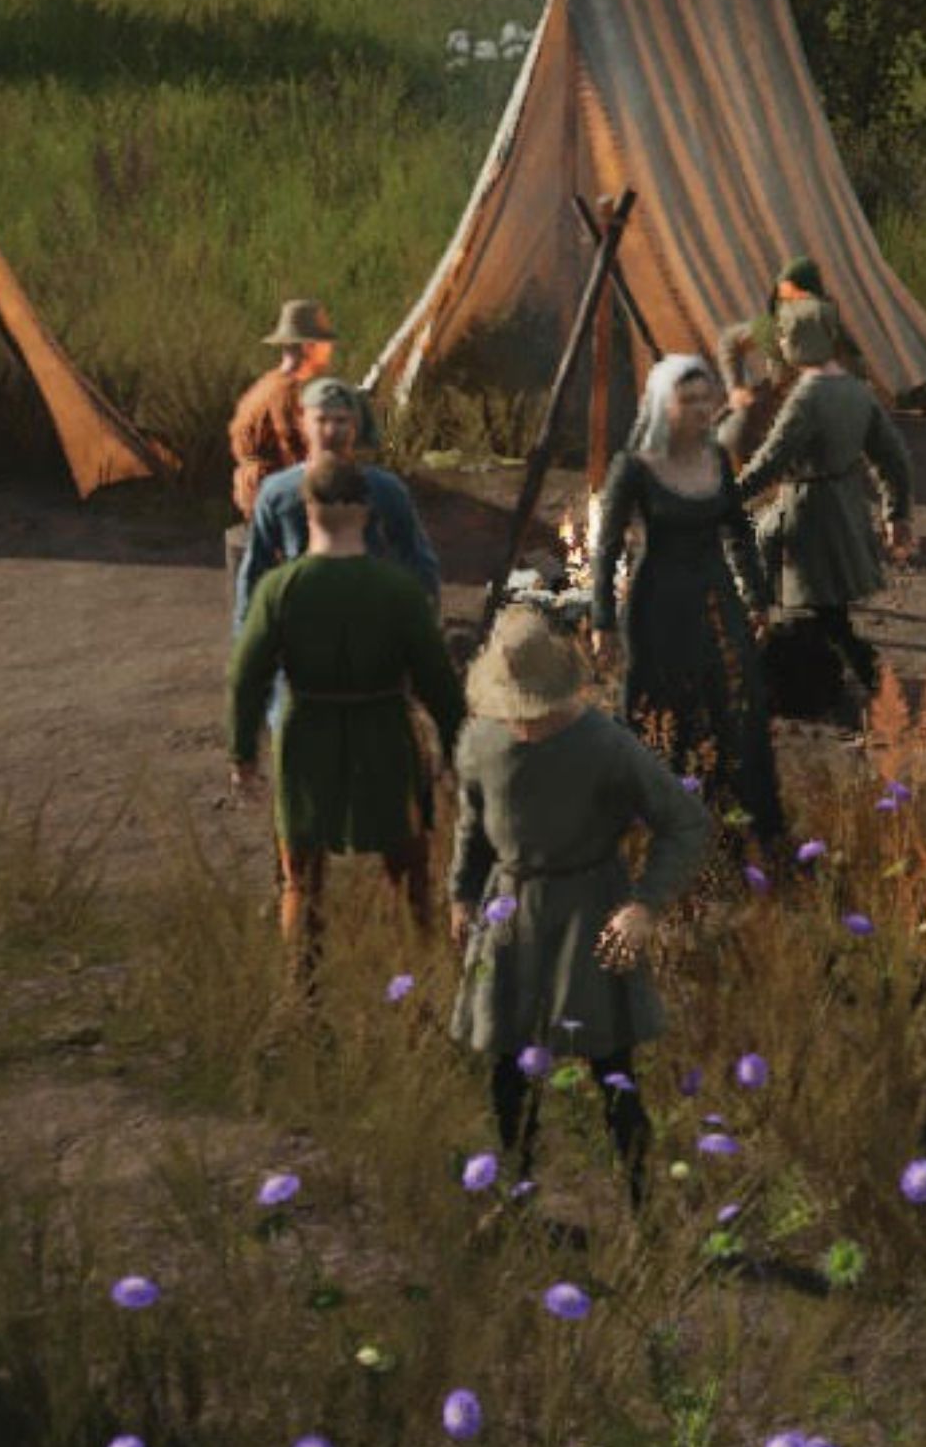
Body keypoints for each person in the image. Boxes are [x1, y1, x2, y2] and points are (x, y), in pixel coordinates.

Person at [447, 608, 714, 1206]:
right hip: (509, 916)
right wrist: (463, 893)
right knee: (509, 1070)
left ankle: (644, 1206)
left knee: (611, 1069)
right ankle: (517, 1197)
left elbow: (685, 821)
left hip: (590, 915)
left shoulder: (607, 746)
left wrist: (644, 906)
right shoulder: (480, 742)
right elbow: (471, 825)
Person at [233, 462, 467, 974]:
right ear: (366, 513)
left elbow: (247, 676)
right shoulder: (399, 591)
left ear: (309, 511)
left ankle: (304, 994)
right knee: (407, 872)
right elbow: (438, 680)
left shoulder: (279, 589)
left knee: (302, 877)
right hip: (382, 732)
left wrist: (243, 752)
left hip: (305, 736)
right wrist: (454, 745)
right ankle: (419, 986)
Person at [583, 352, 790, 862]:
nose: (701, 409)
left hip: (718, 602)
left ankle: (736, 831)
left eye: (705, 399)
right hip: (658, 608)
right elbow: (606, 548)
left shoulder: (717, 458)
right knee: (660, 717)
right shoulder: (632, 468)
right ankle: (651, 836)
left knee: (735, 708)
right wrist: (603, 621)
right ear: (662, 404)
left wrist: (758, 596)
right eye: (687, 400)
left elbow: (738, 531)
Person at [733, 298, 916, 728]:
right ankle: (843, 680)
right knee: (824, 606)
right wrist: (896, 511)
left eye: (784, 336)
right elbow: (894, 459)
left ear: (801, 341)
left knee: (821, 605)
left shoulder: (807, 399)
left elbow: (772, 460)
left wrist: (729, 496)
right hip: (845, 504)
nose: (779, 343)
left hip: (810, 511)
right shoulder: (857, 390)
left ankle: (870, 685)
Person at [234, 377, 438, 641]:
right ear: (303, 423)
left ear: (354, 426)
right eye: (321, 420)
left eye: (341, 420)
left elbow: (418, 562)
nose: (331, 430)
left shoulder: (385, 490)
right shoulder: (278, 493)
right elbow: (254, 573)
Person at [719, 254, 872, 454]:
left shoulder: (829, 328)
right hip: (778, 401)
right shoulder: (774, 325)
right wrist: (735, 388)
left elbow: (856, 372)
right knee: (731, 436)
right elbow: (729, 341)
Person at [227, 298, 338, 521]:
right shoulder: (284, 393)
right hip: (276, 501)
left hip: (260, 495)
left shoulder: (268, 384)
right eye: (325, 344)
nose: (329, 351)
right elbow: (295, 452)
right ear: (309, 346)